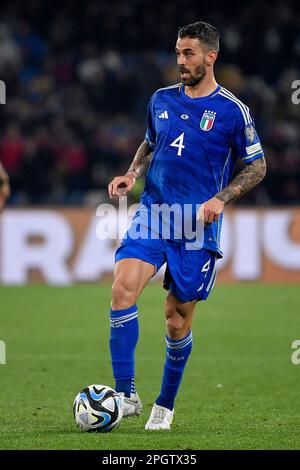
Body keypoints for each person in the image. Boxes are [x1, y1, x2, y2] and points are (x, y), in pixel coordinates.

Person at [107, 21, 266, 430]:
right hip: (154, 213)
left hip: (196, 225)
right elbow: (150, 142)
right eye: (178, 53)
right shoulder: (160, 99)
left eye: (188, 54)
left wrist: (221, 198)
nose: (180, 61)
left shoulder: (233, 111)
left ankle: (165, 402)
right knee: (122, 288)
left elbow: (258, 166)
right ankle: (126, 396)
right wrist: (132, 174)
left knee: (176, 318)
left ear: (210, 57)